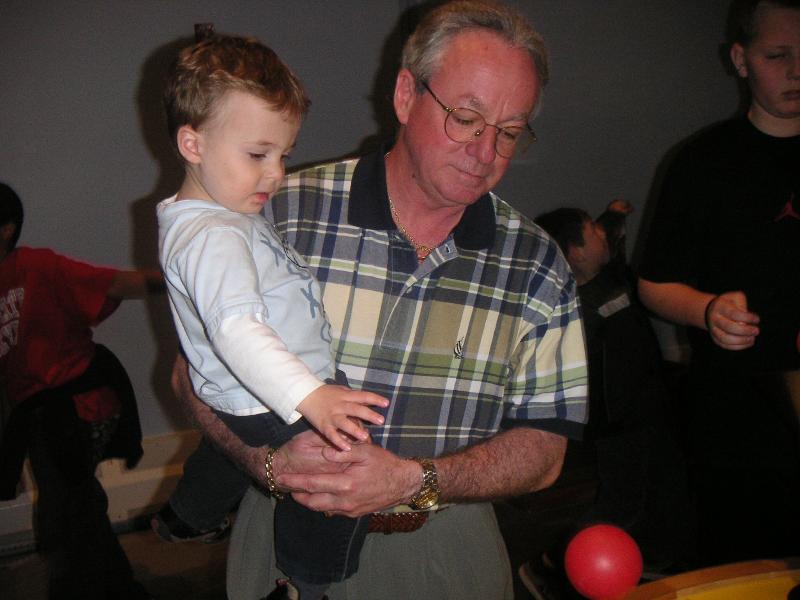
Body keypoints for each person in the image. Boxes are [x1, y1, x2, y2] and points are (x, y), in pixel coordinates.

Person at [170, 3, 588, 599]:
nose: (485, 151)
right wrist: (267, 464)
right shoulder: (277, 212)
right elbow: (191, 373)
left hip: (448, 549)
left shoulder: (537, 264)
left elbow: (545, 452)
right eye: (467, 118)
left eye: (509, 132)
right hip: (283, 536)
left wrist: (418, 481)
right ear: (405, 95)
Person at [154, 34, 390, 600]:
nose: (276, 173)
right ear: (192, 143)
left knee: (227, 446)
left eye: (283, 154)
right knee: (339, 465)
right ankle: (307, 581)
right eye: (258, 154)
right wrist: (311, 396)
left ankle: (190, 512)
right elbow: (235, 329)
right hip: (268, 391)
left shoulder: (219, 211)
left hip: (245, 391)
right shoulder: (212, 235)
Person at [637, 0, 800, 566]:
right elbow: (653, 284)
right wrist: (708, 310)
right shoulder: (701, 163)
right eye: (777, 55)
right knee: (745, 564)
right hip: (738, 417)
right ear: (740, 59)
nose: (796, 71)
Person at [520, 203, 693, 598]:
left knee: (663, 490)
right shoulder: (575, 309)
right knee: (620, 504)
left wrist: (614, 214)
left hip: (651, 411)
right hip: (618, 426)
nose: (602, 234)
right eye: (592, 231)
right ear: (575, 252)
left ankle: (652, 557)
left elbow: (612, 235)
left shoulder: (614, 276)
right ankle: (551, 566)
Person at [0, 182, 163, 599]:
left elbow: (114, 283)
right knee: (71, 505)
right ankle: (102, 586)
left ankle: (101, 588)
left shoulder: (35, 267)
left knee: (69, 508)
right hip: (38, 412)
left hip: (77, 403)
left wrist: (185, 278)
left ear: (6, 229)